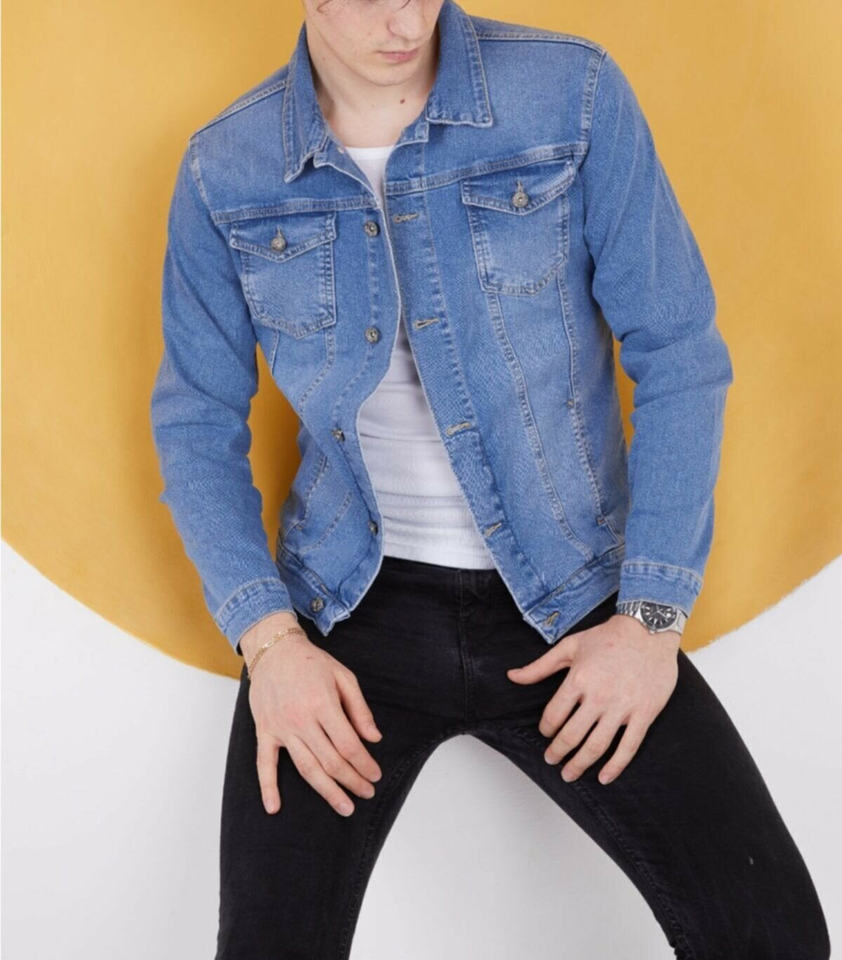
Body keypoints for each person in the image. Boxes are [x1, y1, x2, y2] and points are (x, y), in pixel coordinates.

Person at [149, 1, 831, 956]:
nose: (406, 17)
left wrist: (649, 623)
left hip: (572, 597)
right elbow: (195, 422)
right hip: (347, 616)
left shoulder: (570, 94)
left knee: (775, 937)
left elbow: (679, 353)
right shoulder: (226, 168)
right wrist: (271, 646)